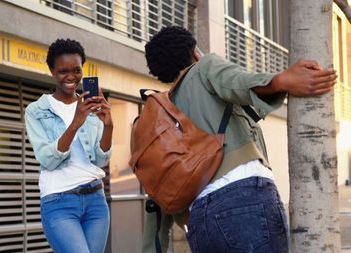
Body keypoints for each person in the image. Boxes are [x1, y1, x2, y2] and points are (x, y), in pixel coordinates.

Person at [143, 26, 337, 253]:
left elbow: (157, 196)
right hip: (243, 202)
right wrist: (279, 81)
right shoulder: (204, 68)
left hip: (200, 223)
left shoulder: (161, 116)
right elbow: (237, 80)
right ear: (195, 52)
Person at [25, 38, 113, 253]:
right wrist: (75, 123)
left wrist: (109, 125)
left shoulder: (90, 107)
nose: (71, 77)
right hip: (59, 202)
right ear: (52, 71)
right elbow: (47, 159)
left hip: (96, 200)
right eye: (63, 71)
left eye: (76, 70)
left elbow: (102, 160)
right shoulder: (37, 111)